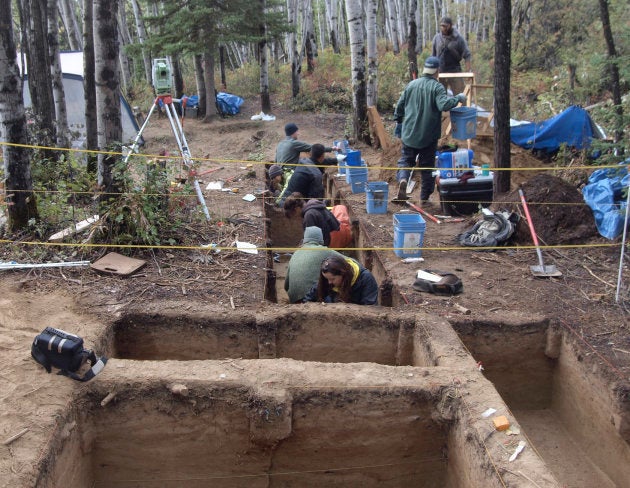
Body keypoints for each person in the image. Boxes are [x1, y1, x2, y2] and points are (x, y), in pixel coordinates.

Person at [393, 56, 466, 204]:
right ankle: (424, 198)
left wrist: (400, 122)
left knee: (406, 162)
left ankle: (402, 180)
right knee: (427, 168)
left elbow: (399, 107)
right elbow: (443, 105)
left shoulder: (412, 85)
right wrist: (458, 97)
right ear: (437, 71)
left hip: (409, 134)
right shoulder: (437, 87)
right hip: (428, 136)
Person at [284, 226, 346, 303]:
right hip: (312, 298)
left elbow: (286, 286)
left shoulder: (296, 253)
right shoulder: (324, 251)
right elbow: (349, 261)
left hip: (294, 299)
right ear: (321, 238)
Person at [303, 255, 378, 305]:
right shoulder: (327, 280)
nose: (329, 282)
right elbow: (309, 298)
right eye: (327, 279)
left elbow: (370, 307)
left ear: (343, 274)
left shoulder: (365, 279)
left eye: (332, 279)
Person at [431, 16, 472, 95]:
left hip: (455, 71)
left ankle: (461, 107)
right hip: (440, 72)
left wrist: (468, 71)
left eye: (445, 26)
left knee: (461, 96)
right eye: (441, 26)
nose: (443, 28)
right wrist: (432, 72)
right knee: (438, 97)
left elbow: (467, 55)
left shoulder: (458, 39)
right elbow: (433, 56)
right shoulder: (437, 38)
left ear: (450, 25)